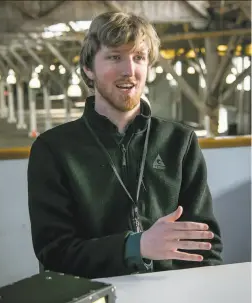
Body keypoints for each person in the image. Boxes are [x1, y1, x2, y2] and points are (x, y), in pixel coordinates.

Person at [27, 11, 223, 279]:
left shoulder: (180, 142)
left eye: (138, 58)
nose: (129, 70)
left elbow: (205, 245)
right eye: (114, 57)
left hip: (172, 296)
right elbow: (54, 253)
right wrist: (136, 245)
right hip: (90, 299)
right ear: (88, 68)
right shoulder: (53, 150)